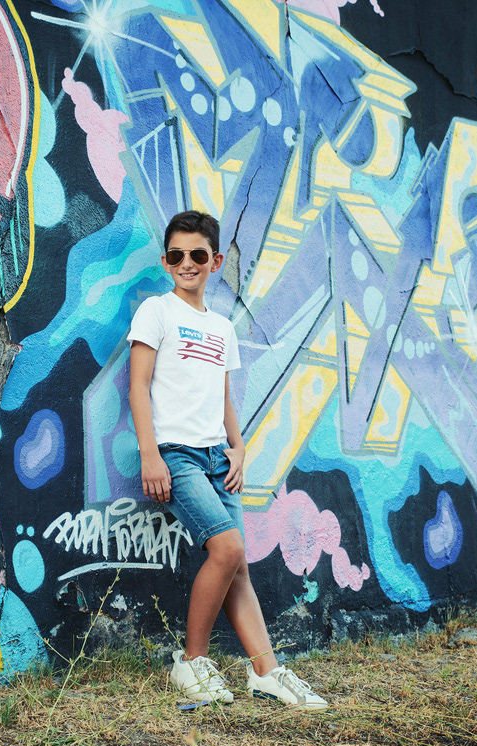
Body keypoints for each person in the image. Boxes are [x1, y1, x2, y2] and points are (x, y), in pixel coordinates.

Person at [127, 210, 328, 708]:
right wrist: (150, 454)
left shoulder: (221, 328)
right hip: (176, 456)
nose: (187, 263)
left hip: (219, 458)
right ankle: (191, 662)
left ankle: (267, 672)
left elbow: (223, 399)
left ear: (215, 262)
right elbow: (137, 385)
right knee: (228, 547)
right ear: (165, 261)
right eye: (176, 255)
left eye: (197, 254)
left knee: (237, 564)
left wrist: (238, 449)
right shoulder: (156, 311)